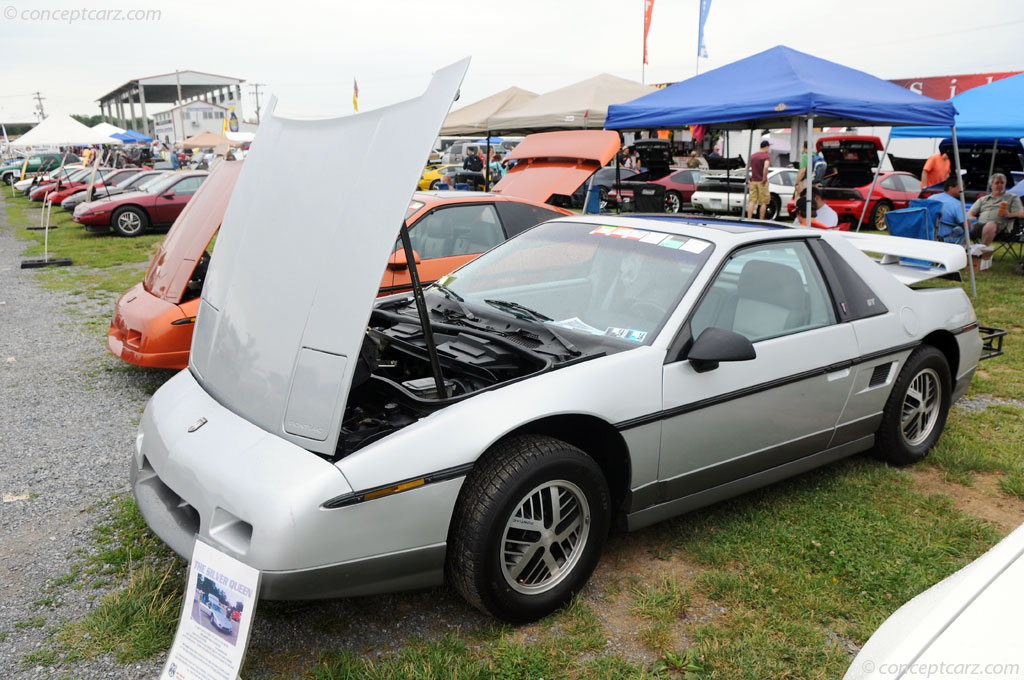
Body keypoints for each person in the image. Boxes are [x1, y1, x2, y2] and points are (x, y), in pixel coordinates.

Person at [967, 173, 1024, 246]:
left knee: (990, 225)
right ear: (991, 185)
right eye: (997, 183)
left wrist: (1009, 214)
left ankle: (982, 251)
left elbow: (1022, 213)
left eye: (1002, 183)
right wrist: (972, 218)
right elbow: (970, 213)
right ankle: (964, 251)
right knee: (965, 226)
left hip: (1003, 228)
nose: (1000, 185)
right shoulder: (983, 199)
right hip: (981, 224)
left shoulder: (1013, 198)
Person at [927, 176, 967, 244]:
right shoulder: (957, 204)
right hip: (947, 239)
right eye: (960, 186)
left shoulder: (931, 198)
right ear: (950, 187)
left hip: (928, 235)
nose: (963, 189)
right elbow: (967, 225)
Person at [747, 140, 772, 219]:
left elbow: (746, 167)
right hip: (762, 182)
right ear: (767, 147)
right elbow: (766, 167)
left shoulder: (753, 156)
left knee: (752, 201)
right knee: (763, 202)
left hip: (753, 181)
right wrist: (764, 178)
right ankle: (761, 219)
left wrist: (748, 179)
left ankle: (749, 218)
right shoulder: (766, 156)